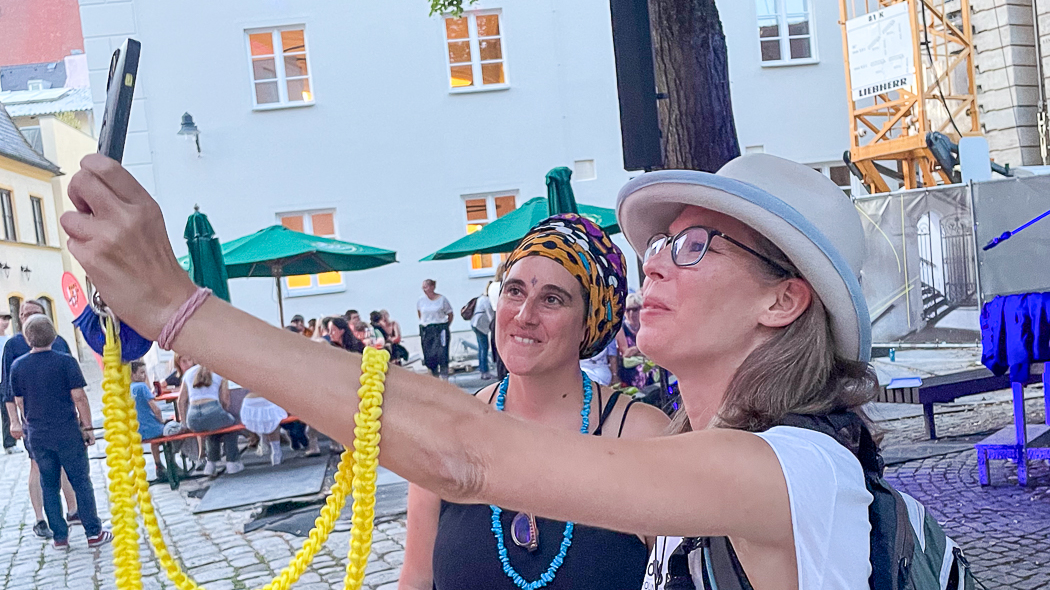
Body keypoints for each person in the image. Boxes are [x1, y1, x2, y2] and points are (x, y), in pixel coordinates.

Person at [68, 152, 880, 590]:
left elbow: (465, 450)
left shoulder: (790, 467)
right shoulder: (700, 454)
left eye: (697, 246)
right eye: (660, 244)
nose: (659, 264)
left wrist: (178, 307)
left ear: (783, 301)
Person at [400, 215, 669, 590]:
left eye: (552, 299)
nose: (524, 316)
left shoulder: (643, 437)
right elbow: (415, 580)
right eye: (514, 291)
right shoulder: (445, 432)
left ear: (588, 321)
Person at [8, 315, 112, 549]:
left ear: (27, 339)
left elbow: (19, 401)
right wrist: (87, 427)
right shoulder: (65, 362)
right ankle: (93, 532)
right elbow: (79, 397)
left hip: (38, 434)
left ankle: (60, 536)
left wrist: (29, 423)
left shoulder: (18, 366)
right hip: (66, 431)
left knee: (49, 484)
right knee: (80, 481)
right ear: (54, 336)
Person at [1, 299, 79, 538]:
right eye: (23, 314)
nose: (26, 318)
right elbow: (7, 389)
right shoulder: (13, 346)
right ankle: (39, 519)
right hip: (32, 420)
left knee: (65, 465)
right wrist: (14, 421)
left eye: (32, 313)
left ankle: (74, 510)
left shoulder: (59, 342)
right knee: (37, 466)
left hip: (62, 416)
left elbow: (73, 382)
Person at [178, 364, 243, 476]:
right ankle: (232, 462)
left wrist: (184, 424)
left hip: (192, 417)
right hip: (212, 409)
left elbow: (181, 401)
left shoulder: (188, 374)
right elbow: (225, 400)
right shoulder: (219, 371)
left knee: (211, 428)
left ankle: (211, 464)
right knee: (230, 426)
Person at [130, 360, 168, 480]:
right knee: (172, 431)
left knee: (155, 441)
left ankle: (158, 466)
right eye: (141, 373)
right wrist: (162, 421)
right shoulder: (142, 387)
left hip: (136, 431)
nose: (144, 375)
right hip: (152, 428)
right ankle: (170, 465)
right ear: (132, 374)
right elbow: (156, 409)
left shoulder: (127, 390)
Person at [616, 293, 654, 389]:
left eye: (635, 309)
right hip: (630, 370)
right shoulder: (621, 329)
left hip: (649, 364)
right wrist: (642, 349)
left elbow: (653, 349)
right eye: (628, 310)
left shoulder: (647, 326)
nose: (631, 313)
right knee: (642, 372)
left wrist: (635, 350)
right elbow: (626, 353)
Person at [417, 279, 453, 379]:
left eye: (426, 286)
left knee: (442, 352)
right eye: (423, 287)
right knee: (429, 353)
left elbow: (450, 314)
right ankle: (434, 375)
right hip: (427, 329)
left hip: (440, 327)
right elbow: (420, 314)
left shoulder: (442, 299)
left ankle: (444, 376)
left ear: (432, 287)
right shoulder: (421, 300)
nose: (424, 289)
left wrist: (445, 325)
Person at [240, 392, 288, 466]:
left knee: (268, 418)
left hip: (250, 400)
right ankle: (276, 450)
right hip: (268, 398)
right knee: (274, 419)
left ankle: (264, 439)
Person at [469, 289, 494, 379]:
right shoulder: (486, 300)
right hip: (480, 325)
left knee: (481, 348)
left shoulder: (480, 298)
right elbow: (490, 314)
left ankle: (482, 370)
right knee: (484, 348)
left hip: (476, 324)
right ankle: (485, 372)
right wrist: (494, 324)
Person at [489, 262, 507, 379]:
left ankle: (500, 376)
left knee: (498, 347)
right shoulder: (503, 285)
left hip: (494, 316)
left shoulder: (491, 286)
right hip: (503, 314)